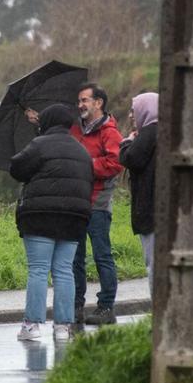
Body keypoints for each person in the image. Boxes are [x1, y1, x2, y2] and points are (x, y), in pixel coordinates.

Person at [10, 104, 93, 342]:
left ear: (46, 122)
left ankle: (32, 325)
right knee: (64, 271)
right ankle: (63, 327)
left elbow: (17, 168)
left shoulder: (39, 145)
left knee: (38, 269)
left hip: (40, 216)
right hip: (74, 218)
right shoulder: (81, 151)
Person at [70, 83, 124, 325]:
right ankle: (76, 305)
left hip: (98, 203)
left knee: (102, 255)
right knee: (75, 257)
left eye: (85, 100)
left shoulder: (110, 132)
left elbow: (116, 163)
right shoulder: (75, 128)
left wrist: (86, 165)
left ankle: (106, 307)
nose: (80, 105)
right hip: (76, 201)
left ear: (98, 103)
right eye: (79, 101)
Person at [119, 92, 158, 295]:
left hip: (151, 210)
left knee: (154, 264)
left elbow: (131, 159)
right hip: (158, 208)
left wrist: (126, 142)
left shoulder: (151, 132)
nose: (132, 116)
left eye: (134, 110)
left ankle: (159, 311)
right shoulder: (163, 132)